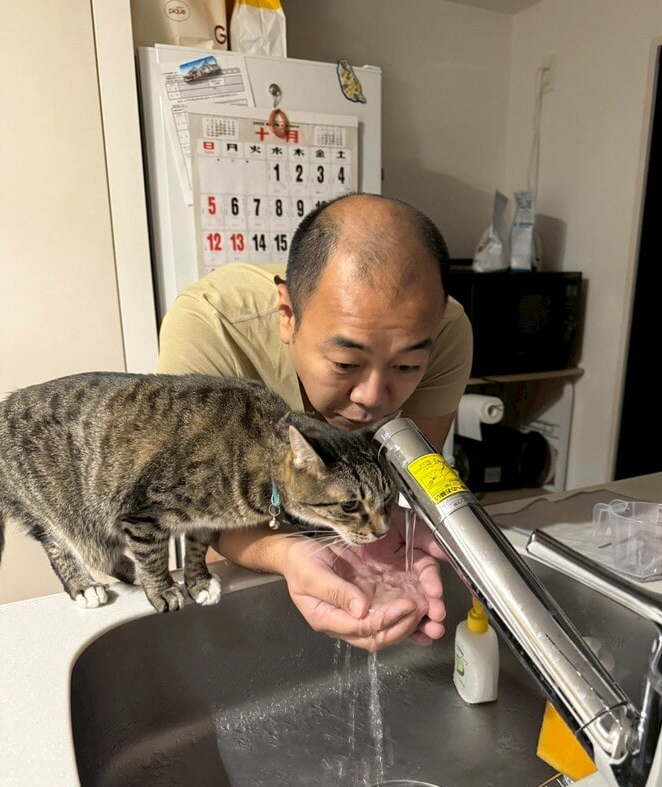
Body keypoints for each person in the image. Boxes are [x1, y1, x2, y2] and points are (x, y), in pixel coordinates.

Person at [157, 193, 473, 650]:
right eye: (346, 363)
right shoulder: (211, 327)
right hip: (234, 526)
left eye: (406, 368)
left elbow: (412, 468)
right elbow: (197, 506)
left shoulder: (444, 333)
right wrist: (287, 553)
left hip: (354, 517)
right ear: (287, 316)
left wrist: (403, 527)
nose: (371, 399)